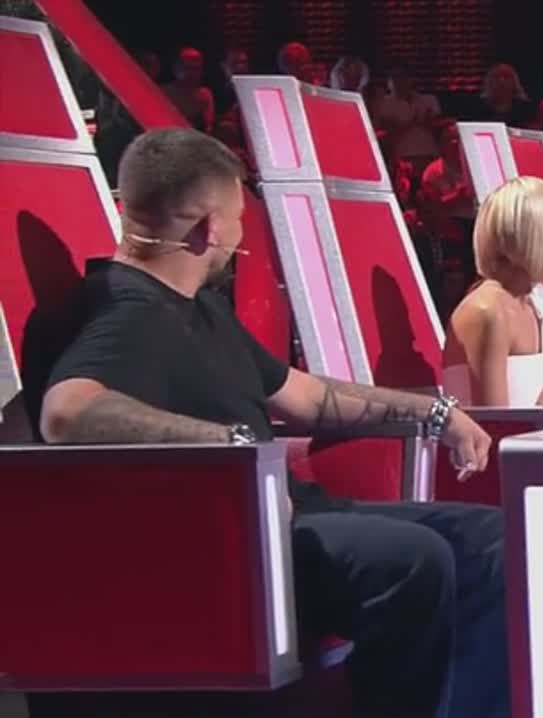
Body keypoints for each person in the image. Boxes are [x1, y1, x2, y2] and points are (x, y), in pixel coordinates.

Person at [34, 128, 507, 717]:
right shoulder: (124, 310)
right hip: (225, 547)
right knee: (415, 560)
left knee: (493, 539)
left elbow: (307, 396)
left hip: (288, 517)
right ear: (210, 227)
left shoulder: (200, 306)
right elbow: (67, 410)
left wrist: (435, 413)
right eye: (238, 219)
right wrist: (236, 456)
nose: (240, 237)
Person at [442, 177, 543, 406]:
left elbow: (542, 412)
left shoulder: (532, 307)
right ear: (538, 243)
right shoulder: (487, 311)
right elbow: (492, 420)